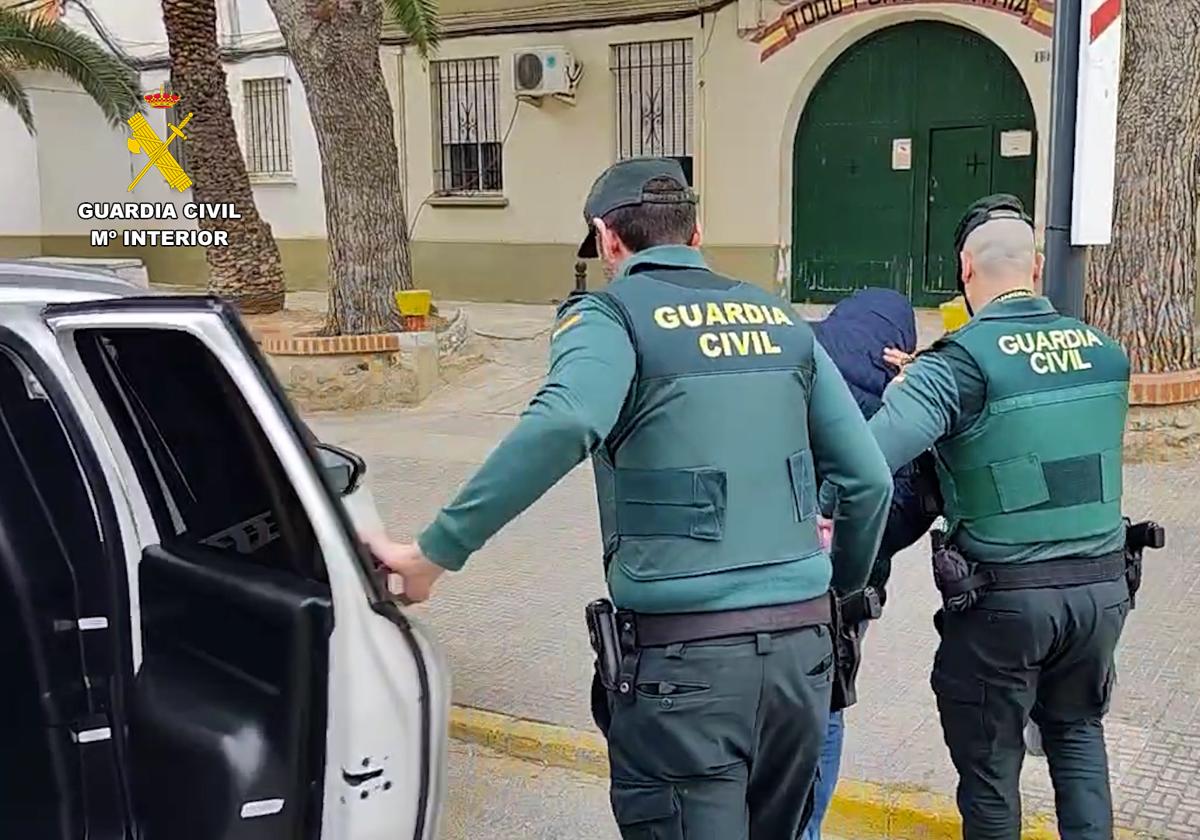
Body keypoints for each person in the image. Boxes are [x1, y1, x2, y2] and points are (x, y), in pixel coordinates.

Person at [364, 157, 895, 839]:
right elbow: (868, 480)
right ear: (697, 233)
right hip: (803, 662)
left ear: (607, 238)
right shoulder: (781, 319)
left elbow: (564, 420)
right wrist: (835, 602)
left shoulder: (608, 315)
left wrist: (435, 553)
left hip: (687, 672)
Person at [847, 194, 1133, 840]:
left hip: (1005, 606)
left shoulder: (957, 366)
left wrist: (910, 391)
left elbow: (866, 463)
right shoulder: (1105, 353)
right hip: (1101, 597)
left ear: (965, 272)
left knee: (991, 778)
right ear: (1035, 268)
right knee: (1079, 738)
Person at [800, 288, 940, 840]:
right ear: (899, 346)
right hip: (842, 597)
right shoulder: (900, 405)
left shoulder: (797, 357)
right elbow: (901, 512)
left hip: (762, 583)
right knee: (826, 710)